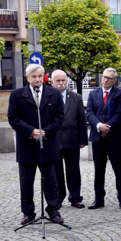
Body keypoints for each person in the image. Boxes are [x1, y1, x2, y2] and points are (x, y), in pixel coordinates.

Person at [8, 64, 65, 225]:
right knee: (26, 182)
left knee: (51, 181)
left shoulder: (53, 93)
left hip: (48, 144)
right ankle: (28, 212)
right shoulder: (17, 95)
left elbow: (60, 116)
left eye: (40, 76)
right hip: (26, 145)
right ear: (27, 78)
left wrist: (47, 131)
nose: (37, 79)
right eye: (34, 77)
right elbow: (13, 118)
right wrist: (30, 131)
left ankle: (53, 210)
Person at [86, 68, 121, 210]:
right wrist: (99, 126)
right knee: (99, 169)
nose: (105, 80)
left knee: (118, 168)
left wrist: (108, 127)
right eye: (104, 77)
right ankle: (99, 199)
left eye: (108, 78)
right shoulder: (93, 94)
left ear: (114, 80)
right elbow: (90, 113)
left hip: (115, 137)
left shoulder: (120, 93)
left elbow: (120, 114)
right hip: (98, 137)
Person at [51, 70, 88, 209]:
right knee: (56, 172)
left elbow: (81, 120)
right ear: (52, 82)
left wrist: (83, 139)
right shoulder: (48, 97)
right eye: (58, 81)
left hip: (72, 139)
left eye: (63, 80)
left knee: (73, 170)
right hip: (54, 141)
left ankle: (75, 197)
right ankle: (59, 197)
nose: (61, 83)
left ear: (67, 81)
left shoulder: (75, 97)